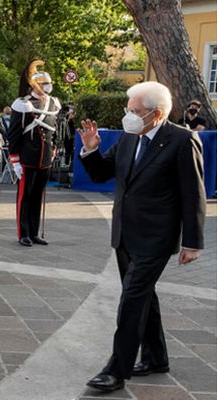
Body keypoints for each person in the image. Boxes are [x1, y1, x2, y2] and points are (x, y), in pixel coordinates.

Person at [78, 81, 205, 393]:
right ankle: (156, 357)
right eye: (128, 109)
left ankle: (116, 369)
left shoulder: (181, 140)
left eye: (135, 111)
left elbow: (194, 194)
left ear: (157, 113)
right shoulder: (128, 136)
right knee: (144, 295)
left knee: (131, 300)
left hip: (156, 237)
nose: (128, 116)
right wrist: (91, 148)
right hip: (125, 232)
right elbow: (100, 173)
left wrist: (193, 242)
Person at [7, 60, 60, 247]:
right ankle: (23, 233)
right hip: (27, 157)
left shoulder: (53, 103)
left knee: (37, 196)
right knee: (25, 197)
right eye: (44, 83)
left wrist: (53, 150)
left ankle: (34, 232)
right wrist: (14, 160)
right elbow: (13, 133)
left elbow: (53, 130)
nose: (47, 86)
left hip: (44, 158)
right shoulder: (22, 104)